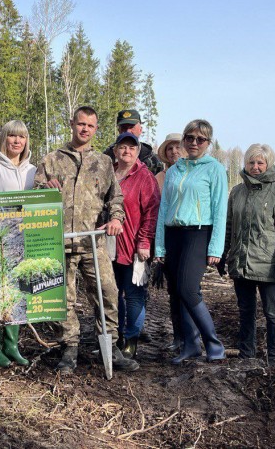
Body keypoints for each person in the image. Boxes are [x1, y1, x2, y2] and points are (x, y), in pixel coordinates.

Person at [34, 106, 139, 375]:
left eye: (90, 126)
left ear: (96, 129)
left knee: (108, 293)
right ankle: (69, 348)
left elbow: (115, 199)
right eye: (81, 124)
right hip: (59, 242)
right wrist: (44, 190)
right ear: (72, 124)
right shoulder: (52, 160)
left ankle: (110, 347)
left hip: (92, 242)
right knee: (63, 298)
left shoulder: (103, 163)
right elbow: (34, 196)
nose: (85, 129)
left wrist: (116, 219)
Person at [154, 119, 227, 364]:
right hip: (173, 234)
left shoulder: (214, 168)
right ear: (184, 140)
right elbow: (164, 209)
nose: (194, 143)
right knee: (176, 291)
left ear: (208, 143)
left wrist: (216, 247)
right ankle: (190, 345)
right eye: (190, 138)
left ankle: (213, 344)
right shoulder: (175, 170)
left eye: (200, 139)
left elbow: (220, 210)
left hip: (198, 233)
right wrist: (160, 245)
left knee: (188, 288)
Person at [222, 144, 275, 368]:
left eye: (260, 163)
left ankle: (274, 360)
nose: (255, 167)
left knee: (273, 313)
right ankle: (247, 354)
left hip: (268, 264)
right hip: (241, 263)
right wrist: (223, 254)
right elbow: (229, 227)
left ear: (268, 164)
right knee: (246, 311)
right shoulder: (237, 192)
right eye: (251, 162)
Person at [0, 120, 35, 367]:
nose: (17, 141)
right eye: (12, 136)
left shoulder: (32, 170)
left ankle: (12, 345)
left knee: (18, 294)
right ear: (4, 139)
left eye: (21, 137)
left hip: (24, 240)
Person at [111, 132, 160, 360]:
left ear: (138, 152)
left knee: (133, 295)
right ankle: (116, 336)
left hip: (133, 246)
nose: (126, 151)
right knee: (112, 294)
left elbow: (151, 212)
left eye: (132, 148)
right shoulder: (108, 173)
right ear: (115, 150)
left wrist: (144, 241)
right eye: (122, 147)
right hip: (108, 246)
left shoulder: (144, 177)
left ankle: (132, 339)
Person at [154, 132, 184, 351]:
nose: (174, 152)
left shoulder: (193, 174)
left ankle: (191, 335)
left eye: (178, 147)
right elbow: (156, 212)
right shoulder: (159, 179)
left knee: (189, 290)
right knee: (173, 291)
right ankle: (178, 337)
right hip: (166, 238)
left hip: (188, 238)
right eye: (170, 148)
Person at [103, 109, 164, 175]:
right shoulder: (107, 156)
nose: (128, 131)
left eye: (132, 127)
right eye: (124, 128)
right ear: (118, 130)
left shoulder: (152, 160)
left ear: (140, 130)